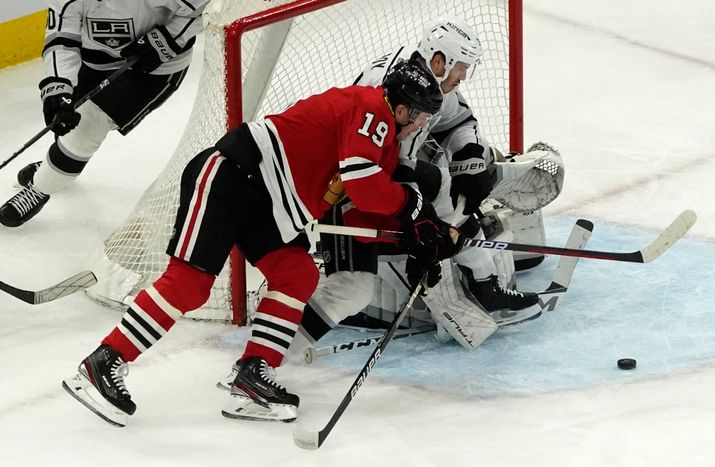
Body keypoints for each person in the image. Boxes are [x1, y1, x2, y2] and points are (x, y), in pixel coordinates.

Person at [62, 60, 452, 426]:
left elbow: (365, 202)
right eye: (419, 115)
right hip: (232, 177)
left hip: (268, 202)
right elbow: (366, 189)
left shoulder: (382, 141)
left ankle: (251, 374)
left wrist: (416, 232)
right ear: (401, 109)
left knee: (297, 274)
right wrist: (411, 208)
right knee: (189, 283)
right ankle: (104, 361)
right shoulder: (371, 108)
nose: (420, 125)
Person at [299, 16, 546, 346]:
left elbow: (458, 120)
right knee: (437, 192)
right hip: (347, 184)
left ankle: (483, 280)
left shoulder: (427, 77)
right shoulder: (394, 86)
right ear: (439, 60)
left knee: (464, 173)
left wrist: (469, 157)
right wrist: (423, 225)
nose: (463, 77)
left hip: (381, 171)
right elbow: (388, 170)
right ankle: (480, 278)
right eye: (461, 67)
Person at [0, 0, 208, 227]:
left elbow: (202, 6)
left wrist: (169, 37)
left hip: (151, 70)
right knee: (68, 117)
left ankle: (39, 189)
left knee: (87, 128)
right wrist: (58, 86)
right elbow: (61, 35)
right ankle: (56, 168)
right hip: (92, 59)